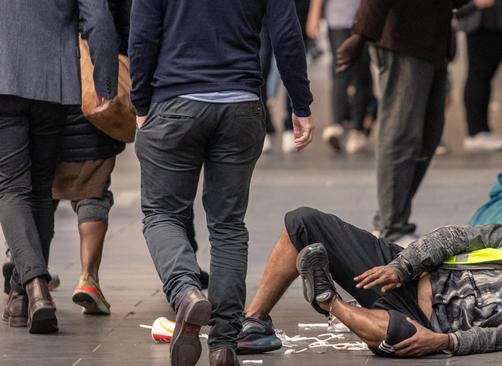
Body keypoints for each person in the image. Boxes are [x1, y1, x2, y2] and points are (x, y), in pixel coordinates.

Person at [128, 0, 315, 365]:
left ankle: (186, 295)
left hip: (174, 101)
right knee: (228, 225)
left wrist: (140, 103)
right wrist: (301, 103)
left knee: (162, 214)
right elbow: (286, 34)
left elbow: (143, 34)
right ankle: (225, 343)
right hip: (241, 106)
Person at [237, 207, 502, 356]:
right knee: (302, 221)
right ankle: (254, 323)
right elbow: (456, 236)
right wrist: (400, 267)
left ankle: (328, 301)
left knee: (400, 337)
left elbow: (500, 337)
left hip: (424, 322)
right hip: (407, 276)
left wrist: (444, 340)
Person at [0, 0, 117, 334]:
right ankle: (27, 294)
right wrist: (105, 79)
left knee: (10, 187)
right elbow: (98, 16)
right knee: (40, 185)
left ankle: (33, 287)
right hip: (54, 83)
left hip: (3, 75)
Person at [336, 0, 453, 244]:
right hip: (402, 41)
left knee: (428, 137)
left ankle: (390, 218)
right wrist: (360, 35)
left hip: (432, 39)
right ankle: (392, 226)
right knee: (401, 134)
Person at [306, 0, 373, 154]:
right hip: (338, 18)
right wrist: (314, 15)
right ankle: (337, 123)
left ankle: (358, 128)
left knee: (361, 73)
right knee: (340, 70)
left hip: (365, 19)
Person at [457, 0, 502, 152]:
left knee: (484, 76)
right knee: (479, 74)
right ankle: (476, 132)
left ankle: (483, 130)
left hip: (501, 17)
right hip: (483, 19)